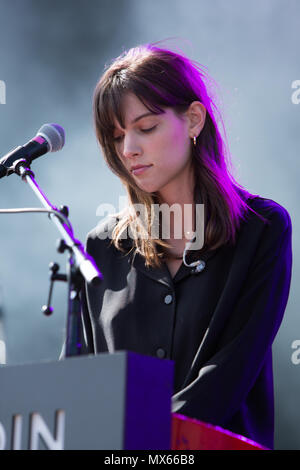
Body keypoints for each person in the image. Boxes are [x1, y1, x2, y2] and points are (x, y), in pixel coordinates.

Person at [78, 44, 293, 449]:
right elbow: (77, 381)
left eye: (146, 127)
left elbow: (230, 370)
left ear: (194, 119)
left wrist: (142, 437)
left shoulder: (262, 230)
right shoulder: (100, 248)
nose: (129, 151)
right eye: (118, 136)